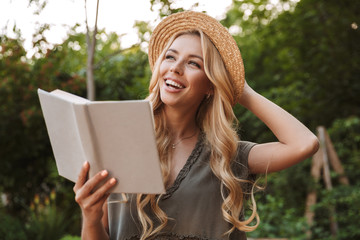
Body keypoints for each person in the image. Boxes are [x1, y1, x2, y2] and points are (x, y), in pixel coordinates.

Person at [73, 11, 319, 240]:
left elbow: (304, 144)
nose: (176, 68)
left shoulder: (228, 157)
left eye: (194, 63)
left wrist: (240, 88)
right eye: (170, 57)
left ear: (211, 85)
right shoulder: (117, 146)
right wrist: (90, 217)